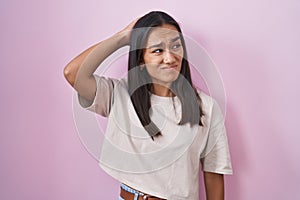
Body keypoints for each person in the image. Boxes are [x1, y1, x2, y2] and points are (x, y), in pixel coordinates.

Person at [64, 11, 233, 200]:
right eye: (157, 50)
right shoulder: (119, 94)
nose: (170, 58)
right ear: (140, 60)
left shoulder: (206, 108)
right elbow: (72, 72)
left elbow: (213, 174)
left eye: (176, 46)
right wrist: (122, 38)